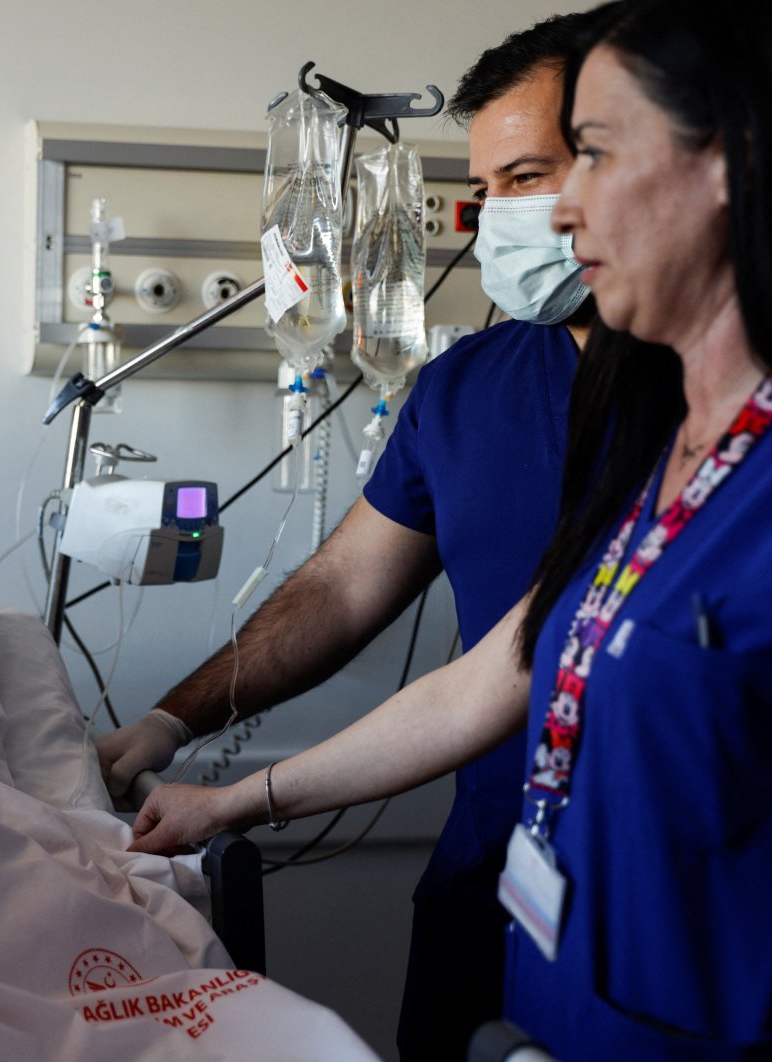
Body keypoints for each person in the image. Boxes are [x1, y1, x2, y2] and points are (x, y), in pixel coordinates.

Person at [131, 0, 772, 1055]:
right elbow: (495, 667)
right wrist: (217, 784)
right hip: (539, 960)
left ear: (731, 160)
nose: (549, 218)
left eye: (582, 158)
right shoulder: (668, 441)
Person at [97, 13, 602, 1057]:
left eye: (526, 177)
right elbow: (342, 593)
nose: (489, 215)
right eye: (486, 185)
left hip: (684, 888)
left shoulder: (738, 412)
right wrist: (166, 721)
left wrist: (246, 796)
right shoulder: (470, 389)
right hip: (494, 876)